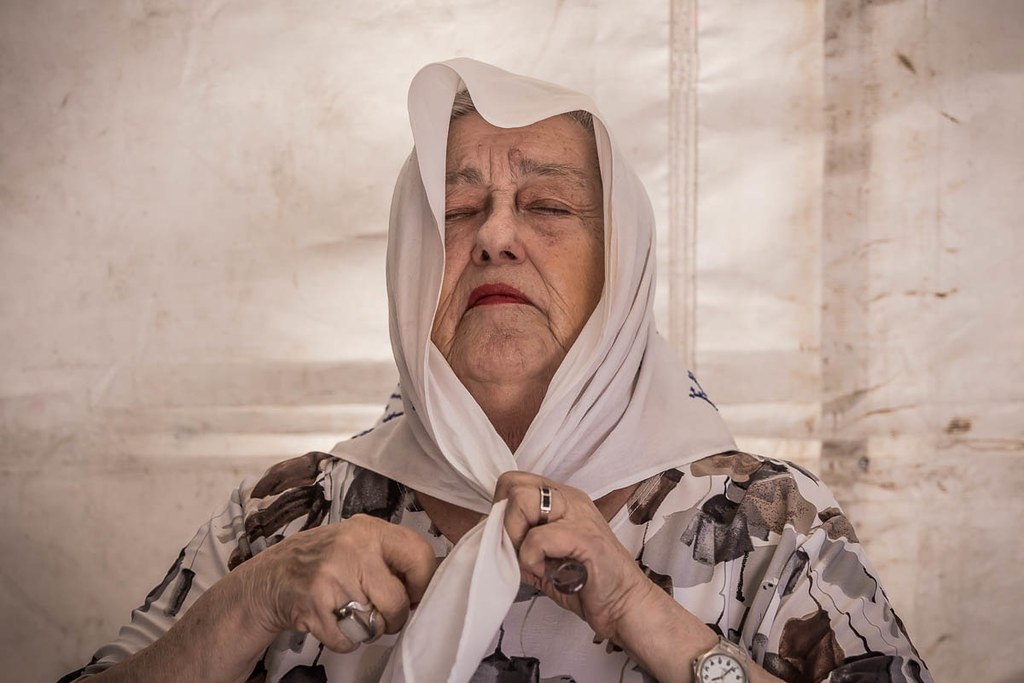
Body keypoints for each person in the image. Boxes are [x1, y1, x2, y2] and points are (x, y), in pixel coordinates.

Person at [61, 58, 931, 683]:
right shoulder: (290, 514)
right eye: (458, 208)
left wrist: (643, 613)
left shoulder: (773, 525)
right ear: (409, 266)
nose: (495, 236)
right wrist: (253, 602)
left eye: (548, 205)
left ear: (620, 267)